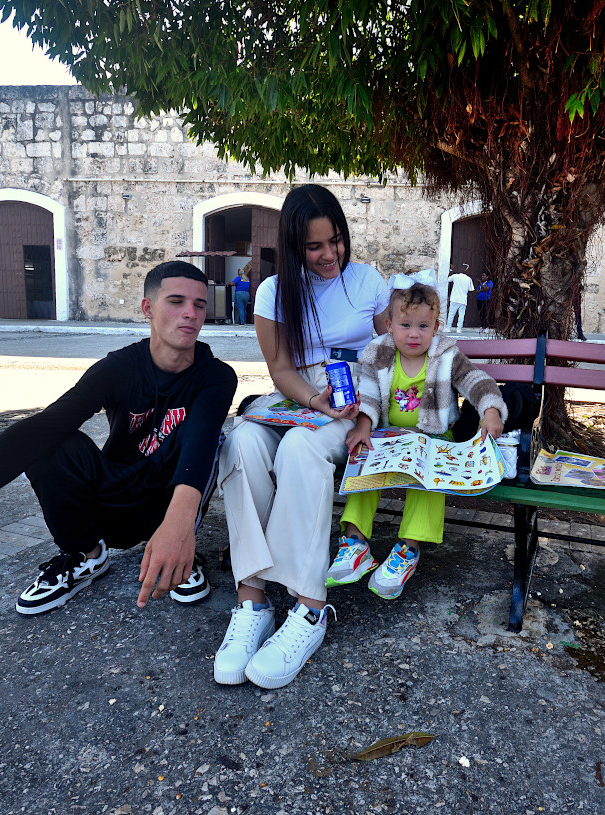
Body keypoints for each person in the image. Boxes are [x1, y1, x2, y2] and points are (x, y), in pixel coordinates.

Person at [0, 261, 238, 614]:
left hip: (168, 499)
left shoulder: (217, 376)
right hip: (111, 494)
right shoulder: (117, 368)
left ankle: (180, 552)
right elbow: (44, 427)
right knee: (50, 438)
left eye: (199, 304)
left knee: (213, 441)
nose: (190, 313)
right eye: (176, 302)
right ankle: (87, 555)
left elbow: (201, 443)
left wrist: (179, 530)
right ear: (148, 308)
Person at [215, 184, 390, 689]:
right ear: (294, 247)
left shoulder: (367, 283)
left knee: (299, 449)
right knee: (242, 442)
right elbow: (280, 368)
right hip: (300, 395)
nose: (330, 254)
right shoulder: (273, 292)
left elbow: (389, 358)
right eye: (315, 246)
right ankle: (254, 600)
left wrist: (363, 416)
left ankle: (310, 607)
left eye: (335, 240)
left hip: (356, 397)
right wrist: (314, 402)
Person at [325, 281, 507, 600]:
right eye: (405, 325)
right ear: (389, 325)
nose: (414, 334)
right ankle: (355, 544)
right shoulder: (379, 354)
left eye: (423, 326)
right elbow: (367, 394)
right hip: (389, 437)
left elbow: (477, 381)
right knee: (365, 461)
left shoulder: (446, 356)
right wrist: (364, 425)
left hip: (433, 437)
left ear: (436, 328)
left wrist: (490, 410)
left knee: (431, 476)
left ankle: (408, 549)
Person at [446, 263, 475, 331]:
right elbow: (471, 290)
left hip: (454, 298)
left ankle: (448, 328)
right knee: (461, 315)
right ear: (466, 270)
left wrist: (451, 270)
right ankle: (459, 329)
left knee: (451, 314)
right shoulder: (469, 279)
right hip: (463, 299)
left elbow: (448, 279)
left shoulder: (455, 276)